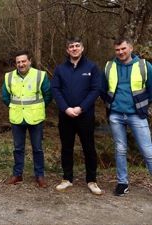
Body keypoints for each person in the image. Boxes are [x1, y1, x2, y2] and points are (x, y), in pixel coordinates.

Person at [100, 37, 152, 196]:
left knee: (148, 151)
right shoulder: (109, 66)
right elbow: (102, 89)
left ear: (131, 48)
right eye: (117, 50)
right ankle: (123, 182)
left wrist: (143, 105)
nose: (120, 52)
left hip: (137, 115)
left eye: (123, 49)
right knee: (120, 149)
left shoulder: (144, 66)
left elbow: (151, 90)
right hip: (115, 115)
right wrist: (112, 104)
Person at [51, 37, 102, 195]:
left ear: (82, 48)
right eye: (71, 46)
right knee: (67, 148)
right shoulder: (60, 69)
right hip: (66, 116)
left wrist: (81, 108)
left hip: (85, 115)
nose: (74, 48)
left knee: (89, 149)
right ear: (67, 50)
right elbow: (55, 89)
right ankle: (67, 179)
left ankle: (91, 180)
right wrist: (66, 108)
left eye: (77, 46)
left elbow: (96, 90)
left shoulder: (91, 67)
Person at [2, 50, 52, 188]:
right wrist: (14, 107)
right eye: (18, 62)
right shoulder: (9, 76)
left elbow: (48, 95)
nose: (21, 64)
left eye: (24, 61)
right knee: (18, 148)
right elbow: (5, 97)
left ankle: (40, 176)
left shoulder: (40, 75)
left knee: (38, 149)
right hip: (17, 118)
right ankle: (17, 174)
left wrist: (39, 108)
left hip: (35, 118)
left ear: (30, 61)